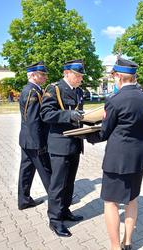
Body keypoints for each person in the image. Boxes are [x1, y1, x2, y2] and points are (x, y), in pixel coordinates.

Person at [85, 57, 143, 250]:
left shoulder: (114, 100)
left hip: (117, 160)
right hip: (138, 157)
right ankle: (128, 242)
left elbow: (104, 132)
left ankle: (115, 247)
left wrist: (86, 135)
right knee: (132, 200)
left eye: (113, 76)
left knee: (111, 202)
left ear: (118, 76)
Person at [40, 59, 85, 237]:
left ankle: (65, 210)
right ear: (67, 73)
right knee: (58, 184)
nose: (80, 78)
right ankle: (55, 220)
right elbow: (45, 114)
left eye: (81, 76)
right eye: (77, 75)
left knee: (69, 182)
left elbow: (78, 113)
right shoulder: (55, 89)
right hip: (59, 144)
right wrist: (69, 115)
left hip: (75, 142)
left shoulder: (79, 91)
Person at [18, 61, 52, 210]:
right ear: (33, 75)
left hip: (27, 140)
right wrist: (39, 143)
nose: (45, 77)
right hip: (34, 140)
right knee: (46, 171)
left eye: (45, 74)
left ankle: (24, 200)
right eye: (42, 74)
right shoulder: (31, 91)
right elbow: (32, 120)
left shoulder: (34, 90)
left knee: (27, 170)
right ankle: (58, 202)